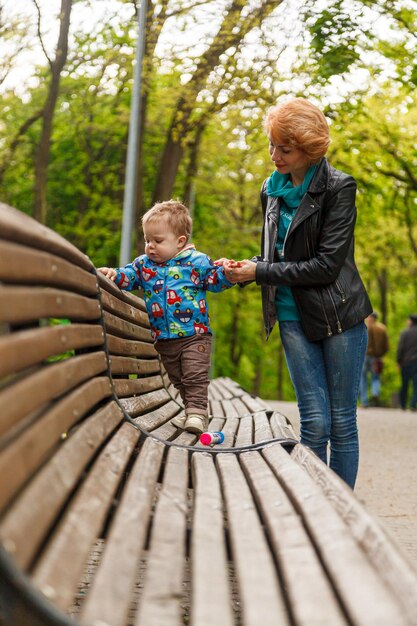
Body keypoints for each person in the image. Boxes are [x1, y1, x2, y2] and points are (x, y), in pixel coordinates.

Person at [222, 98, 372, 489]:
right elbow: (275, 256)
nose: (274, 155)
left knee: (340, 420)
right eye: (271, 145)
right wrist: (246, 268)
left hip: (339, 315)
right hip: (290, 314)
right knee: (313, 420)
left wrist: (262, 271)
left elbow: (325, 265)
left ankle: (343, 513)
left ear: (308, 148)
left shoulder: (339, 188)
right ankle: (314, 506)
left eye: (284, 149)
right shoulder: (269, 191)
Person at [98, 200, 234, 434]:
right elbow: (128, 276)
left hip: (195, 335)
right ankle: (193, 411)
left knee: (194, 376)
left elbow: (214, 281)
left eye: (158, 241)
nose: (150, 246)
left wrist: (228, 273)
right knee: (179, 379)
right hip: (164, 339)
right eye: (147, 240)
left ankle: (197, 414)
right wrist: (115, 274)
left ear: (180, 241)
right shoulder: (144, 266)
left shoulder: (197, 262)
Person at [359, 312, 389, 407]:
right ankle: (375, 393)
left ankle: (364, 401)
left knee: (362, 378)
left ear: (370, 317)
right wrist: (380, 355)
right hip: (376, 357)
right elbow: (386, 345)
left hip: (364, 355)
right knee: (375, 377)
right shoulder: (382, 328)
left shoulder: (364, 327)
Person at [397, 314, 417, 411]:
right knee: (415, 385)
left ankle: (403, 404)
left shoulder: (405, 333)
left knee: (404, 384)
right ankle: (413, 404)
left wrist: (398, 361)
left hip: (406, 363)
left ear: (411, 321)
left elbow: (400, 348)